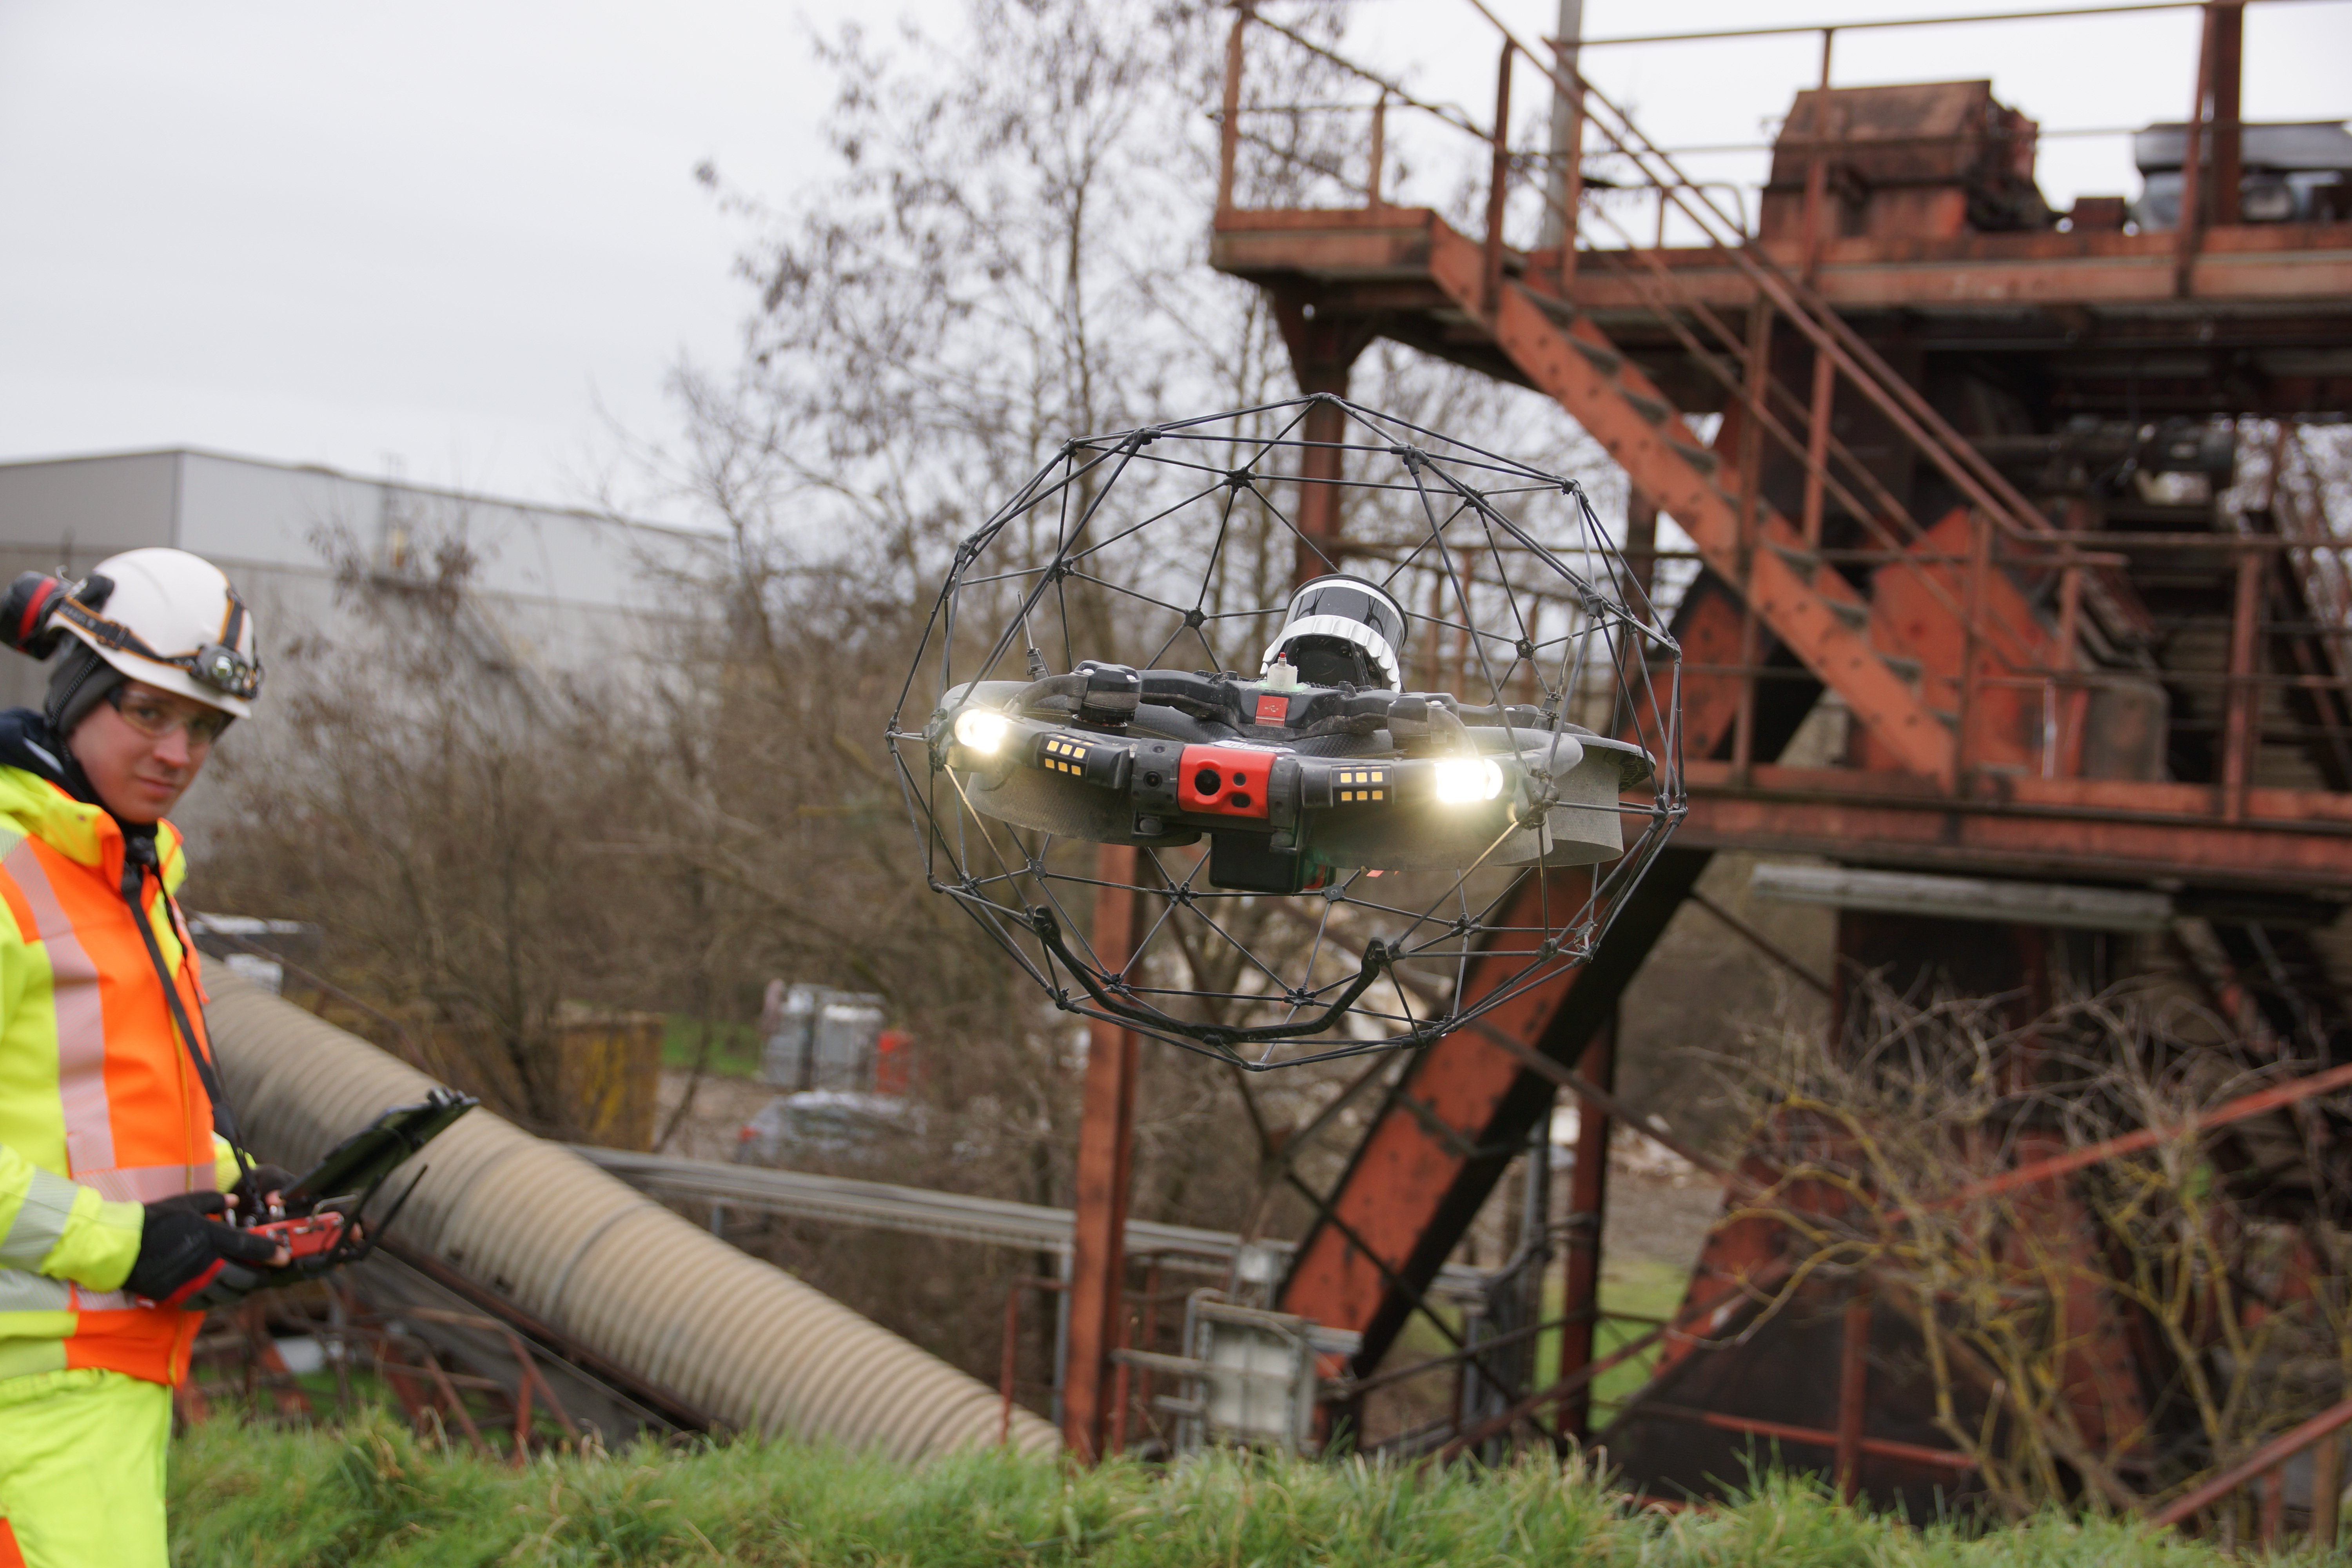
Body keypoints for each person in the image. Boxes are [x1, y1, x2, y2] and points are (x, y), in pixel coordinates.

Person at [0, 548, 287, 1568]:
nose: (179, 751)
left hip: (107, 1380)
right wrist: (128, 1249)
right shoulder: (11, 870)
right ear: (76, 691)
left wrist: (244, 1209)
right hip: (28, 1403)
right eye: (148, 711)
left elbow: (108, 1121)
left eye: (204, 728)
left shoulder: (127, 879)